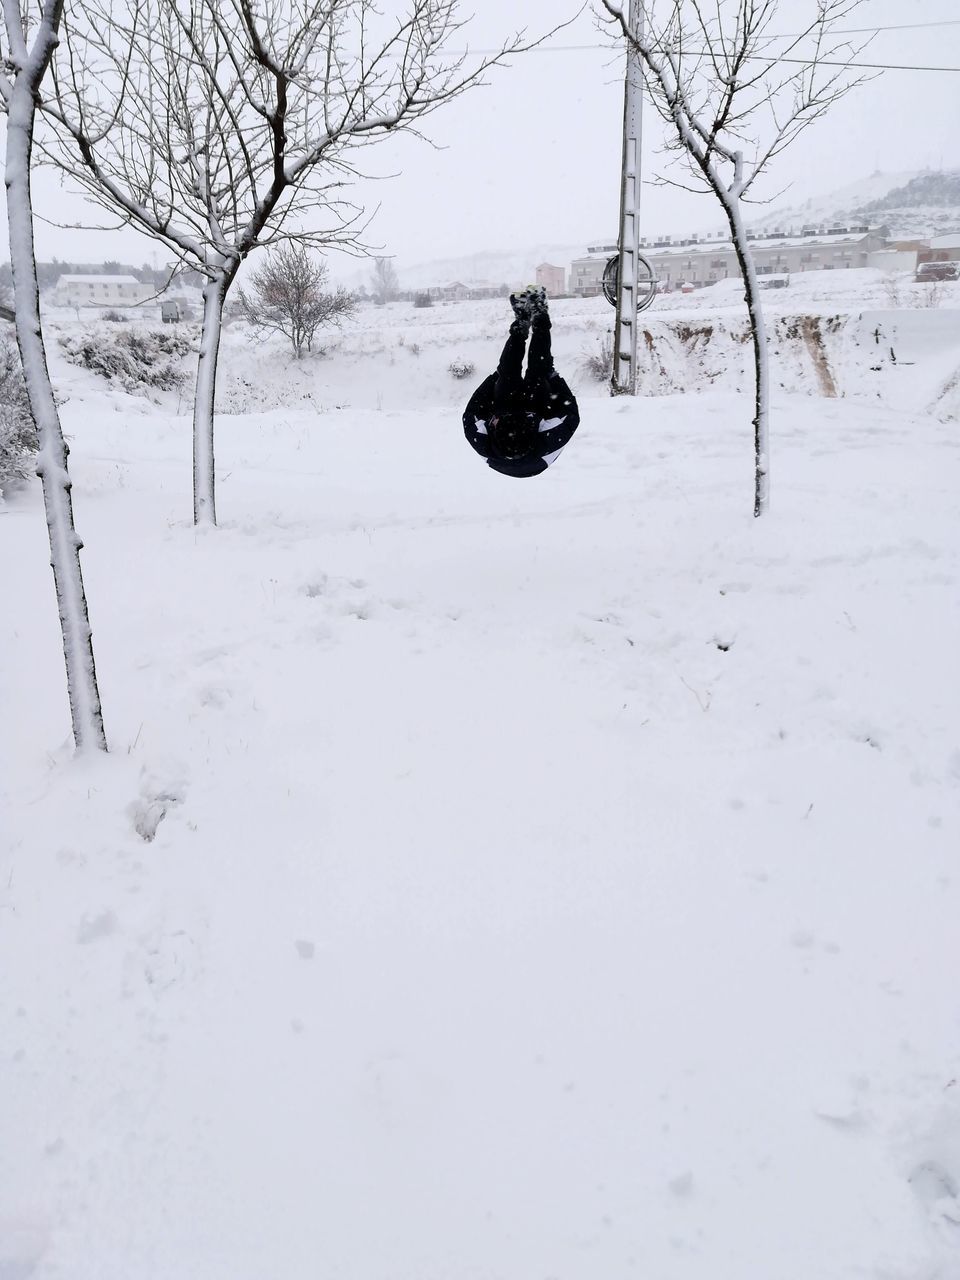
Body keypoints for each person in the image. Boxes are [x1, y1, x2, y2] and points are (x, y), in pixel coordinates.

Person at [462, 286, 580, 478]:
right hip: (538, 410)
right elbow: (571, 414)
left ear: (494, 426)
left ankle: (521, 323)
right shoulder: (549, 440)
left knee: (507, 373)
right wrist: (553, 377)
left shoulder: (482, 442)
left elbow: (471, 413)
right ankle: (540, 315)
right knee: (539, 370)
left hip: (506, 408)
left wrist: (494, 378)